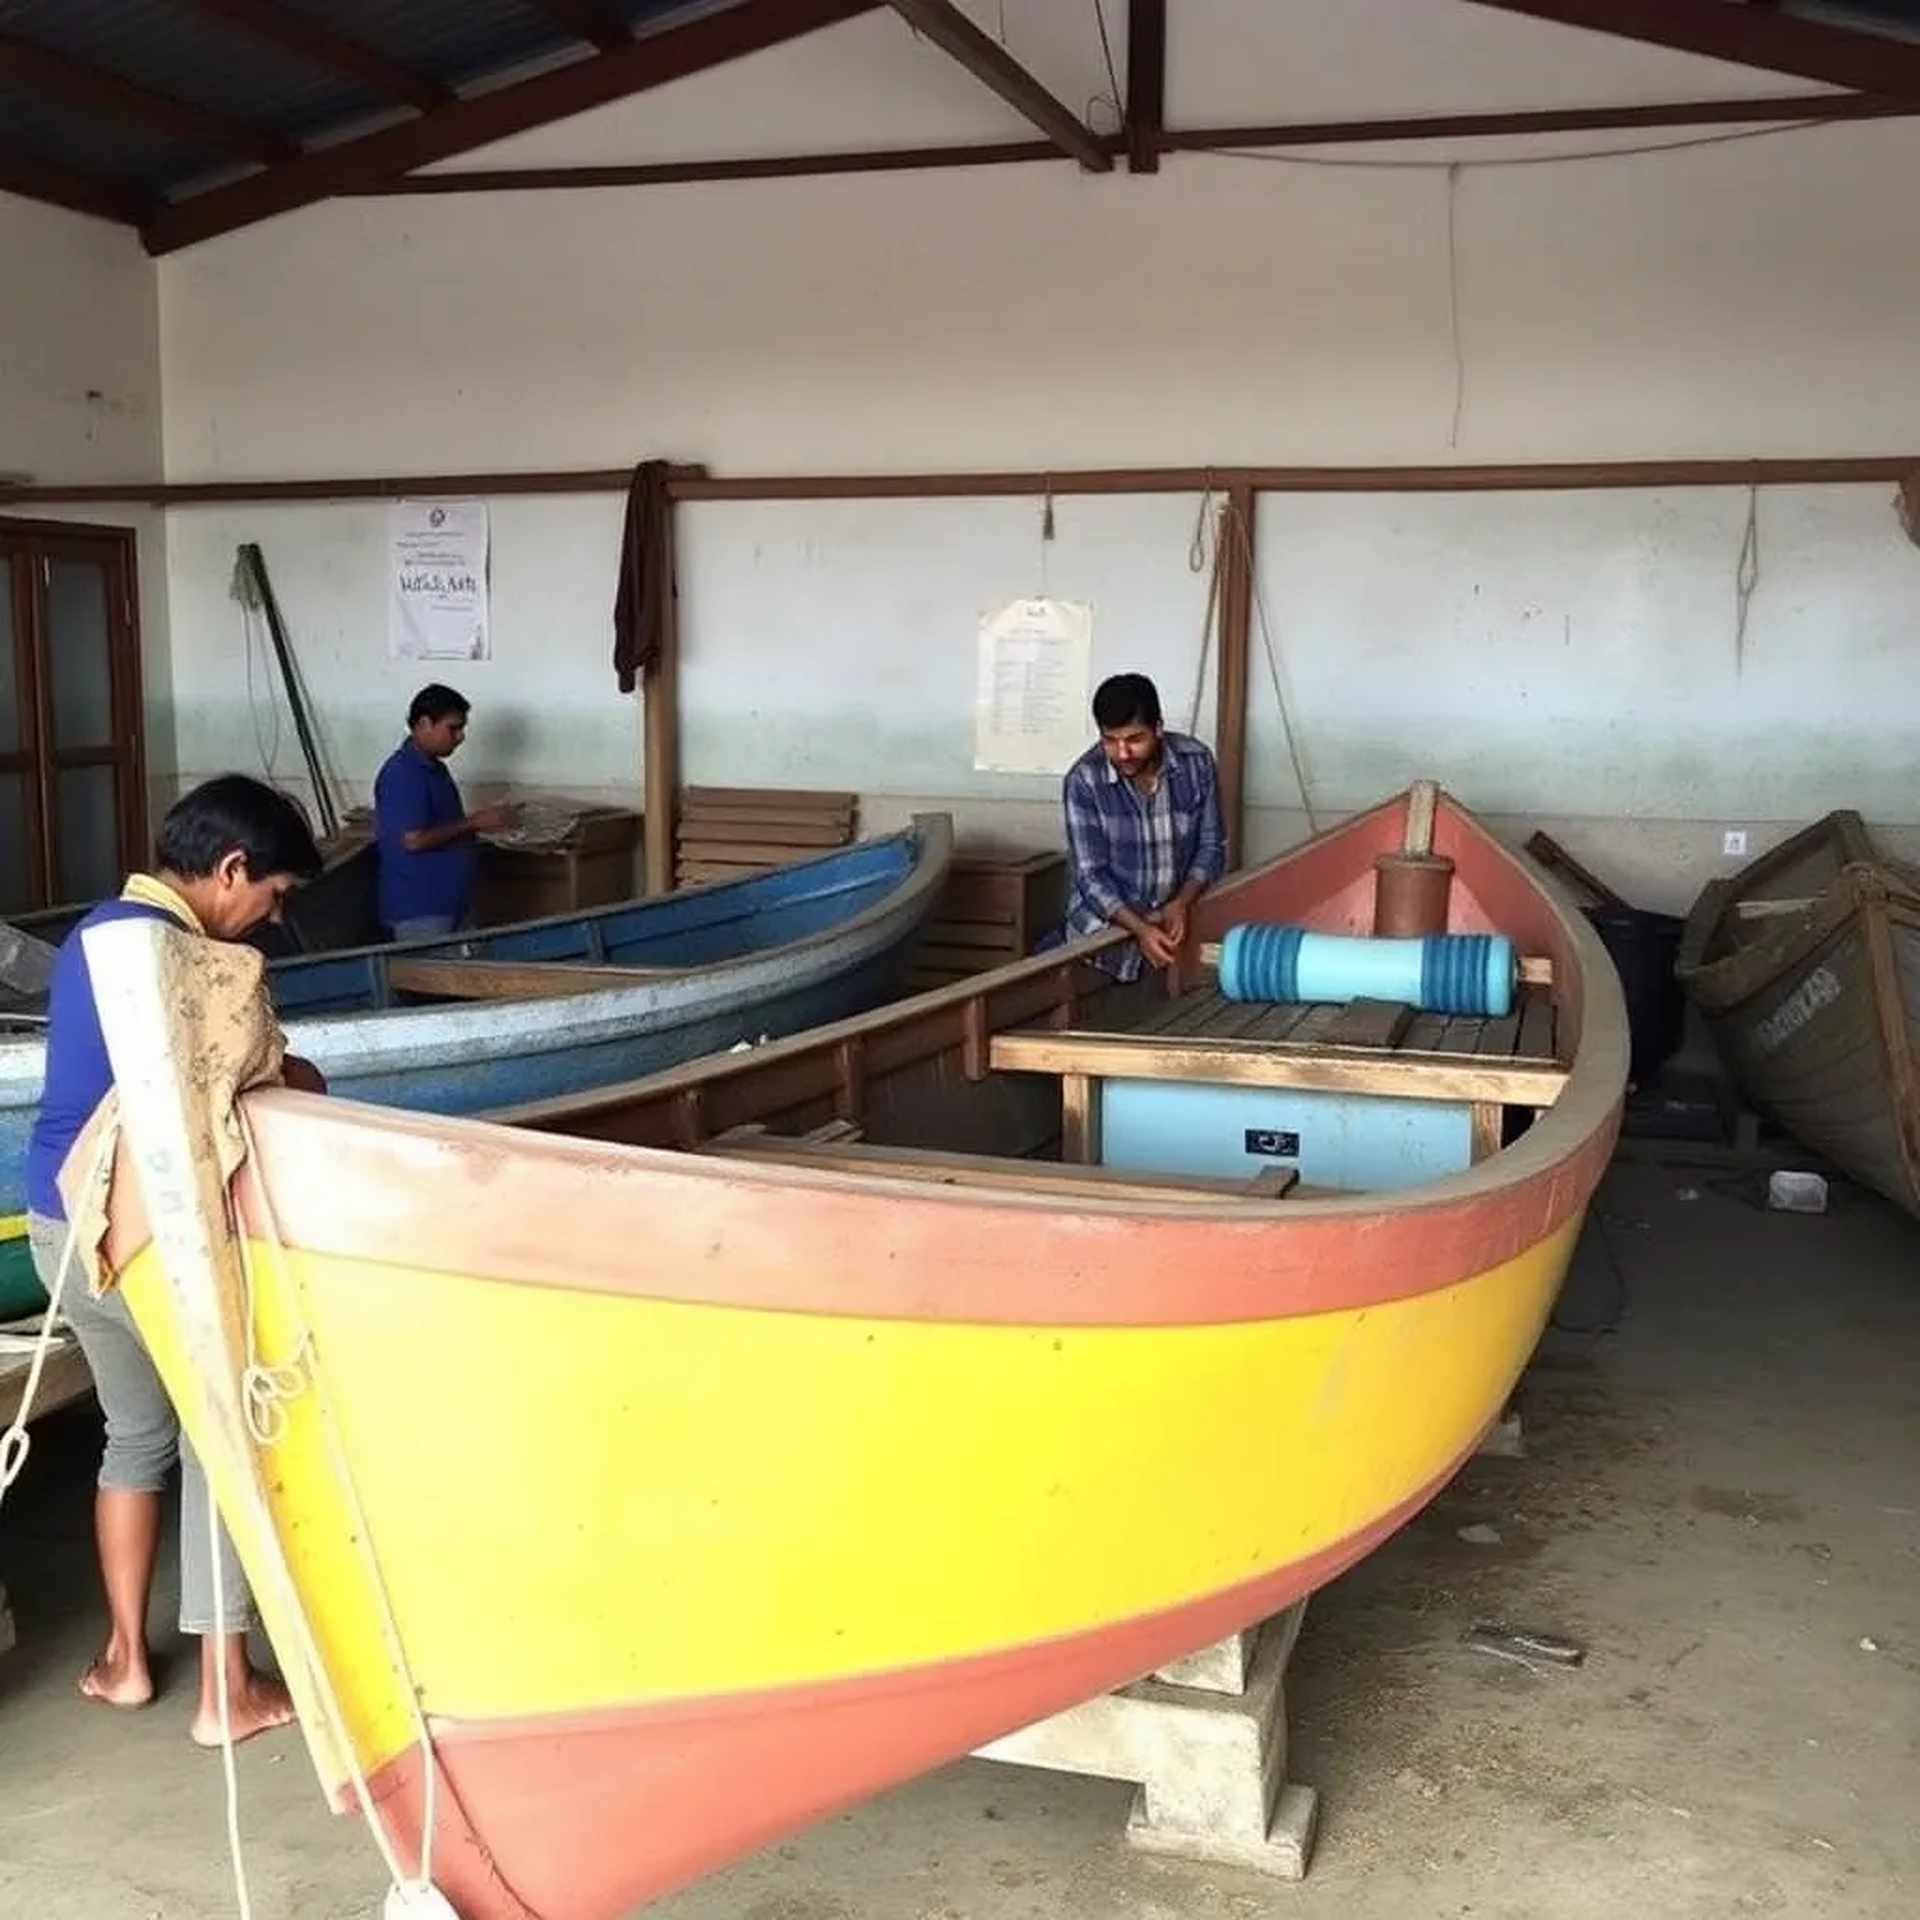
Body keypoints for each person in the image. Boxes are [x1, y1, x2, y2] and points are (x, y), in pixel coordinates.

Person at [24, 774, 325, 1746]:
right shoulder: (185, 956)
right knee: (217, 1442)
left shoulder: (94, 933)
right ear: (231, 870)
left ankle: (124, 1661)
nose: (269, 923)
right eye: (272, 896)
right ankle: (224, 1691)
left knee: (133, 1438)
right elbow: (246, 1089)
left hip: (57, 1223)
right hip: (150, 1233)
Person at [1055, 672, 1226, 978]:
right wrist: (1140, 929)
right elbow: (1090, 876)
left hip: (1173, 935)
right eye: (1110, 740)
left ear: (1158, 728)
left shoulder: (1196, 763)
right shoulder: (1084, 781)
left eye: (1134, 739)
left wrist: (1182, 902)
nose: (1122, 753)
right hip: (1100, 945)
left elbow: (1211, 846)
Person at [372, 684, 517, 939]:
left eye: (462, 729)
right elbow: (413, 840)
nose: (461, 736)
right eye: (453, 728)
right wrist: (474, 822)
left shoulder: (434, 768)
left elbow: (443, 825)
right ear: (424, 724)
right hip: (422, 911)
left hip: (450, 903)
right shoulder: (403, 774)